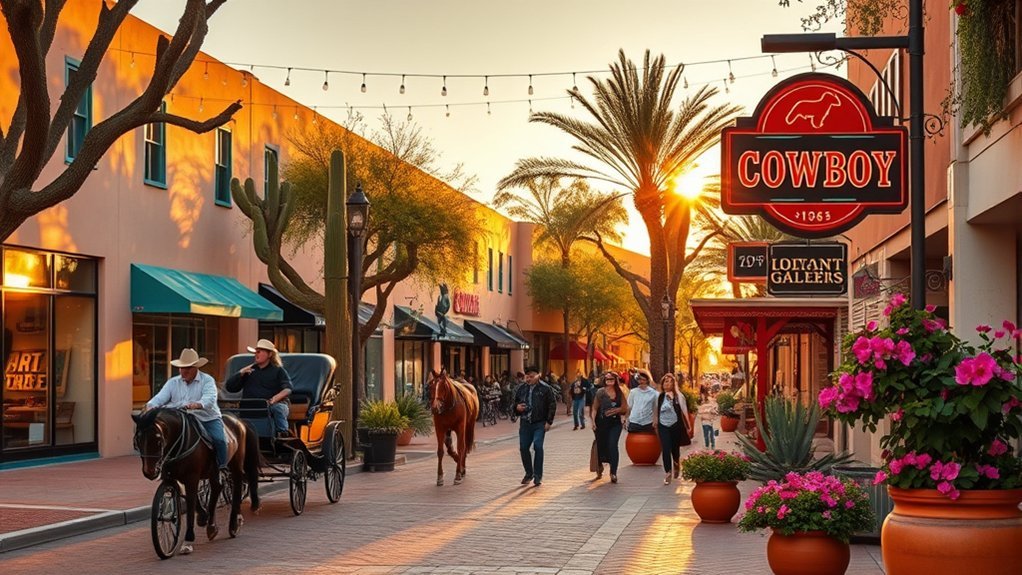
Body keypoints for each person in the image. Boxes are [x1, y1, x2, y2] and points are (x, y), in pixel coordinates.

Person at [144, 348, 228, 471]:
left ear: (196, 368)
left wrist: (197, 404)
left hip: (206, 418)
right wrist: (150, 406)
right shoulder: (173, 382)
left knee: (219, 439)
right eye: (182, 368)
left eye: (187, 368)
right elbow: (160, 398)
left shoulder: (207, 380)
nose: (184, 371)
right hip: (182, 419)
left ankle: (222, 468)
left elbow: (209, 399)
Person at [225, 338, 293, 436]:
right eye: (256, 352)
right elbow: (230, 388)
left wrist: (274, 399)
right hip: (251, 407)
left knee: (279, 408)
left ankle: (282, 434)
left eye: (259, 352)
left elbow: (287, 389)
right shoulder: (248, 371)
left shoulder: (278, 371)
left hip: (270, 405)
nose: (256, 354)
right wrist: (240, 373)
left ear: (269, 355)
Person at [514, 365, 557, 486]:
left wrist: (549, 422)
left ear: (538, 375)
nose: (529, 379)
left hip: (539, 423)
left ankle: (538, 475)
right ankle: (529, 473)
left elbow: (552, 405)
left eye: (531, 377)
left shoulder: (546, 389)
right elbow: (514, 403)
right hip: (525, 422)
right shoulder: (521, 388)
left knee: (538, 446)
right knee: (523, 447)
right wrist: (517, 408)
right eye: (527, 377)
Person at [591, 371, 629, 483]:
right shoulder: (600, 392)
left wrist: (617, 410)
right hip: (601, 423)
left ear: (615, 380)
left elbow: (625, 408)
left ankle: (613, 472)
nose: (609, 382)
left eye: (612, 379)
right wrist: (593, 421)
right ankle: (600, 467)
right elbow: (595, 408)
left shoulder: (620, 392)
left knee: (613, 445)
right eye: (607, 380)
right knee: (601, 446)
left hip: (615, 423)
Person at [653, 373, 691, 484]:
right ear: (662, 384)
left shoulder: (679, 396)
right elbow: (656, 409)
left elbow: (684, 412)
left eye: (670, 382)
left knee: (675, 449)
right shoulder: (659, 396)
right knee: (665, 448)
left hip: (676, 425)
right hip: (663, 425)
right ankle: (668, 472)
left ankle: (676, 464)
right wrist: (655, 420)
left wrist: (688, 426)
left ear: (674, 384)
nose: (668, 384)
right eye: (666, 381)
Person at [625, 368, 658, 433]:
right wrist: (626, 418)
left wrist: (655, 419)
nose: (642, 382)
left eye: (644, 380)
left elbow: (656, 408)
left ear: (647, 380)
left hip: (648, 422)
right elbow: (629, 406)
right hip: (634, 421)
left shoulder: (654, 393)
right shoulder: (633, 392)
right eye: (640, 379)